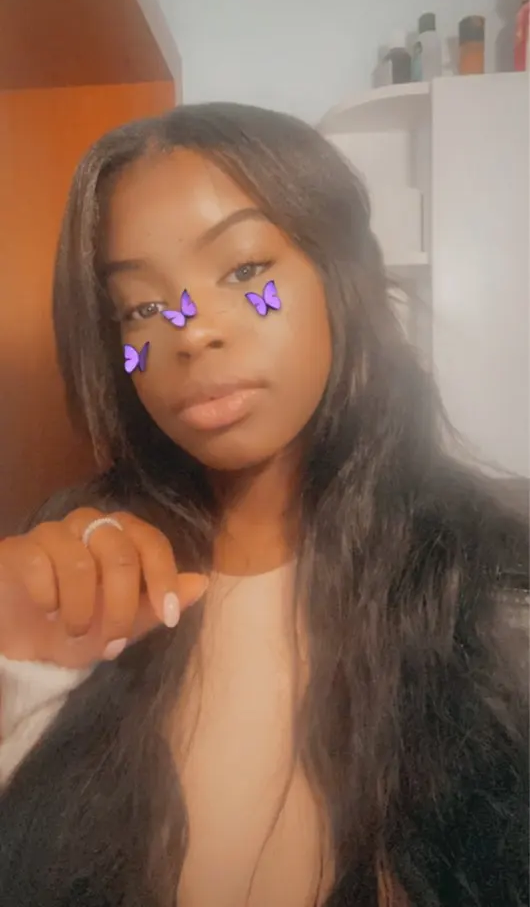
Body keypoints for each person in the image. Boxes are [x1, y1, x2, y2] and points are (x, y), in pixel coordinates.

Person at [0, 102, 527, 907]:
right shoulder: (84, 576)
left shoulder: (494, 585)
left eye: (245, 271)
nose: (190, 332)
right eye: (141, 307)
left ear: (340, 279)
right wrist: (21, 673)